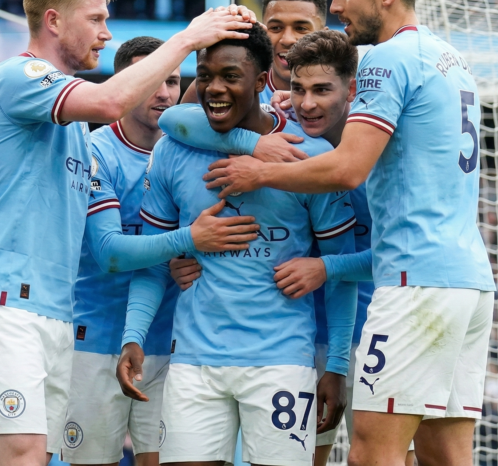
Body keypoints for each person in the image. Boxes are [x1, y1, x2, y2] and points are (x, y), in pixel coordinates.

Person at [0, 0, 257, 466]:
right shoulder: (20, 74)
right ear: (53, 21)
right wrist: (187, 39)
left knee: (35, 457)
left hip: (53, 311)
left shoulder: (74, 128)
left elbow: (177, 119)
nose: (105, 33)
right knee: (22, 456)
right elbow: (112, 103)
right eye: (95, 19)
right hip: (2, 300)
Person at [199, 0, 496, 466]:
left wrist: (261, 172)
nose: (336, 6)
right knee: (446, 454)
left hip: (413, 281)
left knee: (371, 454)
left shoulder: (386, 59)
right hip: (467, 280)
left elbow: (347, 168)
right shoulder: (448, 58)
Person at [156, 29, 414, 466]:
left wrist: (327, 270)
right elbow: (172, 120)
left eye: (321, 90)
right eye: (298, 89)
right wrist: (181, 250)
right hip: (265, 339)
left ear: (351, 90)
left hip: (375, 322)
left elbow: (404, 254)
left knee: (384, 456)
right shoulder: (273, 136)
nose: (306, 103)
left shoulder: (379, 156)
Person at [116, 23, 358, 466]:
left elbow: (341, 267)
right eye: (205, 76)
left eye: (230, 76)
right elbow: (153, 261)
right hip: (194, 361)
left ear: (262, 81)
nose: (214, 88)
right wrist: (133, 336)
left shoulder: (310, 154)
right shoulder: (172, 150)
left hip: (282, 359)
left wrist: (337, 366)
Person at [63, 36, 196, 466]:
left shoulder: (188, 153)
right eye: (152, 80)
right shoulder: (96, 152)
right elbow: (110, 254)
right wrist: (190, 241)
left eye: (172, 81)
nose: (164, 93)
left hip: (170, 342)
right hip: (98, 337)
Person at [181, 0, 329, 107]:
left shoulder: (340, 91)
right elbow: (179, 121)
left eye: (301, 29)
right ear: (263, 30)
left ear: (324, 35)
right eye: (276, 28)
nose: (287, 39)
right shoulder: (241, 82)